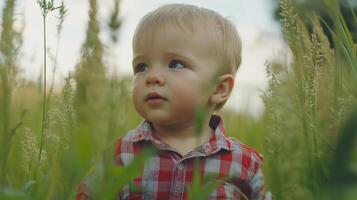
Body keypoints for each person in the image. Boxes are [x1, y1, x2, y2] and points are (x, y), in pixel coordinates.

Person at [77, 3, 265, 200]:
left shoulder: (243, 163)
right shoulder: (120, 155)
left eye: (175, 64)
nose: (152, 76)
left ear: (219, 88)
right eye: (141, 66)